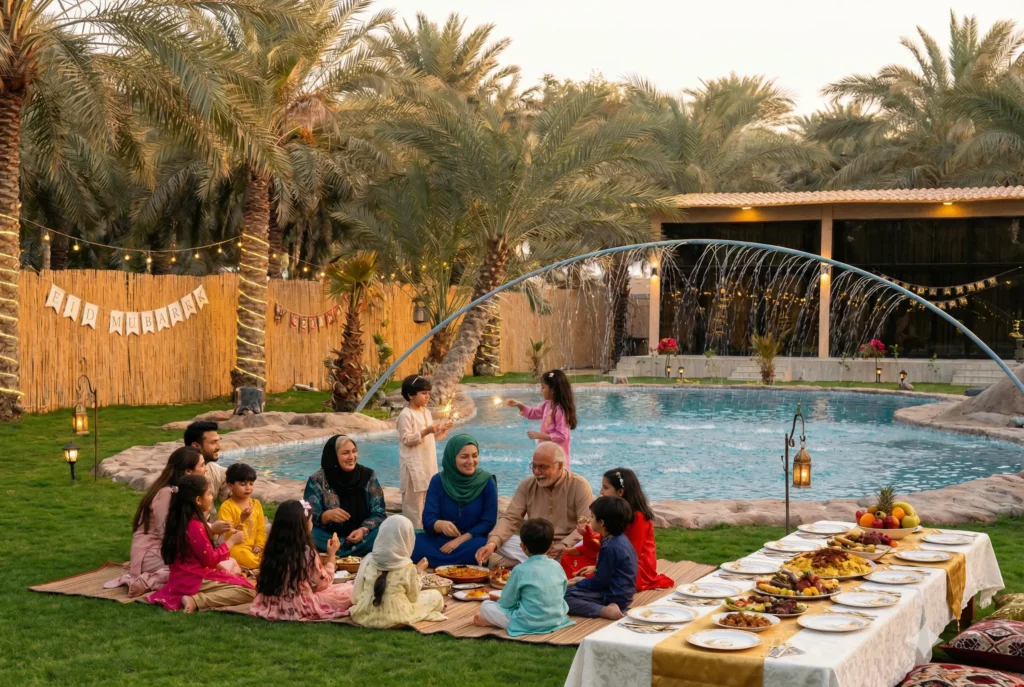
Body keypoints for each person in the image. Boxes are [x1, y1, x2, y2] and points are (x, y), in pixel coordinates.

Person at [104, 447, 206, 596]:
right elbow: (166, 532)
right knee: (194, 569)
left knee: (207, 563)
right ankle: (148, 581)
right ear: (188, 471)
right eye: (202, 465)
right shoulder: (166, 493)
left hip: (168, 549)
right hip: (152, 552)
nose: (206, 470)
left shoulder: (182, 492)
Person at [475, 442, 593, 568]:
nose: (537, 472)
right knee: (497, 539)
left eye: (543, 467)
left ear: (560, 466)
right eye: (534, 466)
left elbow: (586, 524)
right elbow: (510, 518)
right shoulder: (527, 484)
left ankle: (527, 562)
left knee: (584, 544)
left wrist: (564, 544)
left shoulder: (579, 485)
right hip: (536, 545)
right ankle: (542, 563)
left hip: (564, 547)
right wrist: (492, 544)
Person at [147, 475, 255, 612]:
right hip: (194, 579)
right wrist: (231, 542)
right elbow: (210, 559)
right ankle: (196, 600)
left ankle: (196, 597)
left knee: (239, 580)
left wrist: (241, 520)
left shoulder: (180, 519)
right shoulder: (194, 525)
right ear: (198, 500)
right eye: (209, 494)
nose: (212, 498)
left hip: (181, 577)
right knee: (249, 591)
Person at [560, 468, 674, 591]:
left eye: (605, 487)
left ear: (620, 492)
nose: (601, 491)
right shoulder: (613, 512)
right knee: (568, 559)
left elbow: (629, 554)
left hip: (634, 565)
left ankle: (579, 589)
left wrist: (598, 568)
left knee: (591, 575)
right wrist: (579, 546)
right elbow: (606, 542)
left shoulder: (638, 518)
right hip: (612, 557)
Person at [249, 499, 354, 622]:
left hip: (270, 602)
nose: (312, 524)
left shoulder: (271, 547)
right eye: (310, 521)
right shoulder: (306, 551)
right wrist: (332, 555)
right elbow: (323, 583)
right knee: (348, 591)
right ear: (303, 525)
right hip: (297, 604)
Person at [473, 518, 574, 636]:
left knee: (486, 606)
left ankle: (491, 621)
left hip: (527, 623)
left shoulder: (520, 570)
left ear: (522, 546)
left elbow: (506, 603)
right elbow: (562, 592)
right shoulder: (557, 565)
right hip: (556, 619)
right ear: (551, 544)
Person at [412, 434, 498, 567]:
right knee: (412, 543)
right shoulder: (438, 481)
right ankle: (457, 563)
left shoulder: (486, 482)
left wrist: (461, 540)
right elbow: (428, 518)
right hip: (440, 541)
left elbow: (488, 522)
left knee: (481, 547)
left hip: (471, 541)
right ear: (452, 458)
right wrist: (440, 525)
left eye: (474, 456)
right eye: (464, 456)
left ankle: (435, 562)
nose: (471, 461)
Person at [349, 516, 446, 629]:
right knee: (435, 595)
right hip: (397, 616)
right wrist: (418, 572)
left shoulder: (368, 560)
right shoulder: (408, 567)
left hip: (365, 614)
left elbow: (356, 595)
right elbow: (413, 598)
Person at [304, 434, 386, 556]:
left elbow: (379, 512)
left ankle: (339, 551)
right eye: (345, 453)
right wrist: (326, 516)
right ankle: (347, 550)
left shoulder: (368, 476)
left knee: (386, 530)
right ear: (333, 456)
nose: (351, 457)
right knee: (309, 534)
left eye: (354, 451)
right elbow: (307, 515)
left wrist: (363, 530)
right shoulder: (317, 480)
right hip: (328, 537)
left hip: (364, 537)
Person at [563, 496, 637, 620]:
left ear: (601, 523)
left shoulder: (610, 546)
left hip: (614, 595)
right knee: (570, 589)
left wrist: (580, 582)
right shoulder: (619, 539)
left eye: (592, 517)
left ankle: (603, 610)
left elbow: (600, 582)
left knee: (563, 597)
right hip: (624, 592)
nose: (589, 520)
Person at [396, 375, 450, 529]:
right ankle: (414, 537)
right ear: (411, 395)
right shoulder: (406, 415)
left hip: (427, 465)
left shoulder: (426, 412)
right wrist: (426, 431)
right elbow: (406, 439)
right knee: (415, 507)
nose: (428, 396)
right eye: (423, 393)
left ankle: (428, 534)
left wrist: (442, 430)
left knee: (429, 504)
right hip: (414, 468)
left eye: (428, 393)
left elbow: (430, 439)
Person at [507, 369, 577, 468]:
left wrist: (540, 435)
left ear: (553, 390)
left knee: (554, 478)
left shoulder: (560, 410)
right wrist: (519, 405)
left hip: (557, 458)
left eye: (543, 387)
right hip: (547, 453)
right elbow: (534, 413)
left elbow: (562, 436)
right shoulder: (547, 404)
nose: (541, 390)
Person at [217, 463, 267, 570]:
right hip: (238, 547)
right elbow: (229, 532)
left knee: (273, 549)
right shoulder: (227, 507)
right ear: (230, 486)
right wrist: (241, 519)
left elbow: (261, 529)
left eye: (251, 484)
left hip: (255, 548)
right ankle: (259, 565)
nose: (248, 488)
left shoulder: (256, 504)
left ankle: (258, 563)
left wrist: (259, 544)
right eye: (243, 484)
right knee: (242, 555)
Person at [184, 421, 231, 527]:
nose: (219, 447)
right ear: (196, 446)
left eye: (218, 441)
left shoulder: (214, 470)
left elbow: (236, 493)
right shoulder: (177, 482)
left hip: (212, 532)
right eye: (213, 442)